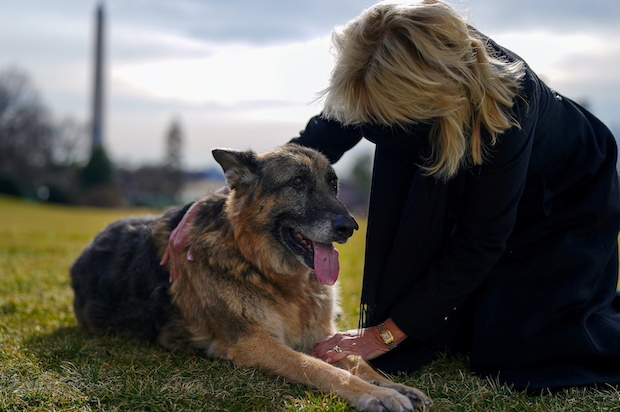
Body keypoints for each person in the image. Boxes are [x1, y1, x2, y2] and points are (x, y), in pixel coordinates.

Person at [163, 0, 620, 391]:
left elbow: (481, 239)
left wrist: (383, 335)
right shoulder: (375, 63)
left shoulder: (506, 108)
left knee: (524, 354)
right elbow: (306, 150)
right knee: (441, 334)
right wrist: (212, 205)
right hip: (461, 153)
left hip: (563, 189)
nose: (364, 117)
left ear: (425, 97)